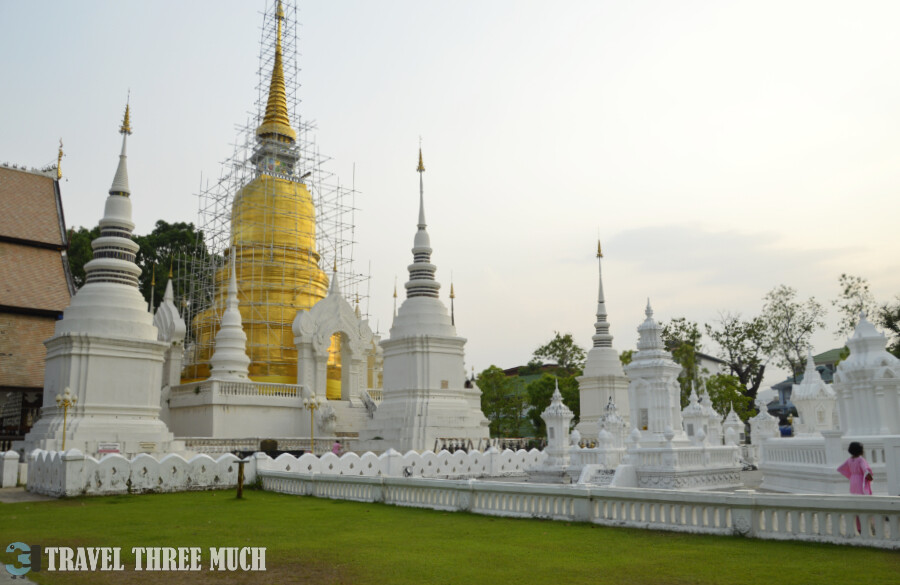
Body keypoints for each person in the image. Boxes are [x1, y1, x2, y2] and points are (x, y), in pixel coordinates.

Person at [837, 441, 873, 533]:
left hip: (853, 482)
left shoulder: (850, 460)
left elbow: (840, 468)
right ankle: (869, 525)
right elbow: (865, 470)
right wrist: (869, 477)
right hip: (861, 481)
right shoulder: (860, 459)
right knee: (865, 503)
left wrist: (851, 475)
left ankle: (859, 527)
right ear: (860, 451)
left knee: (856, 503)